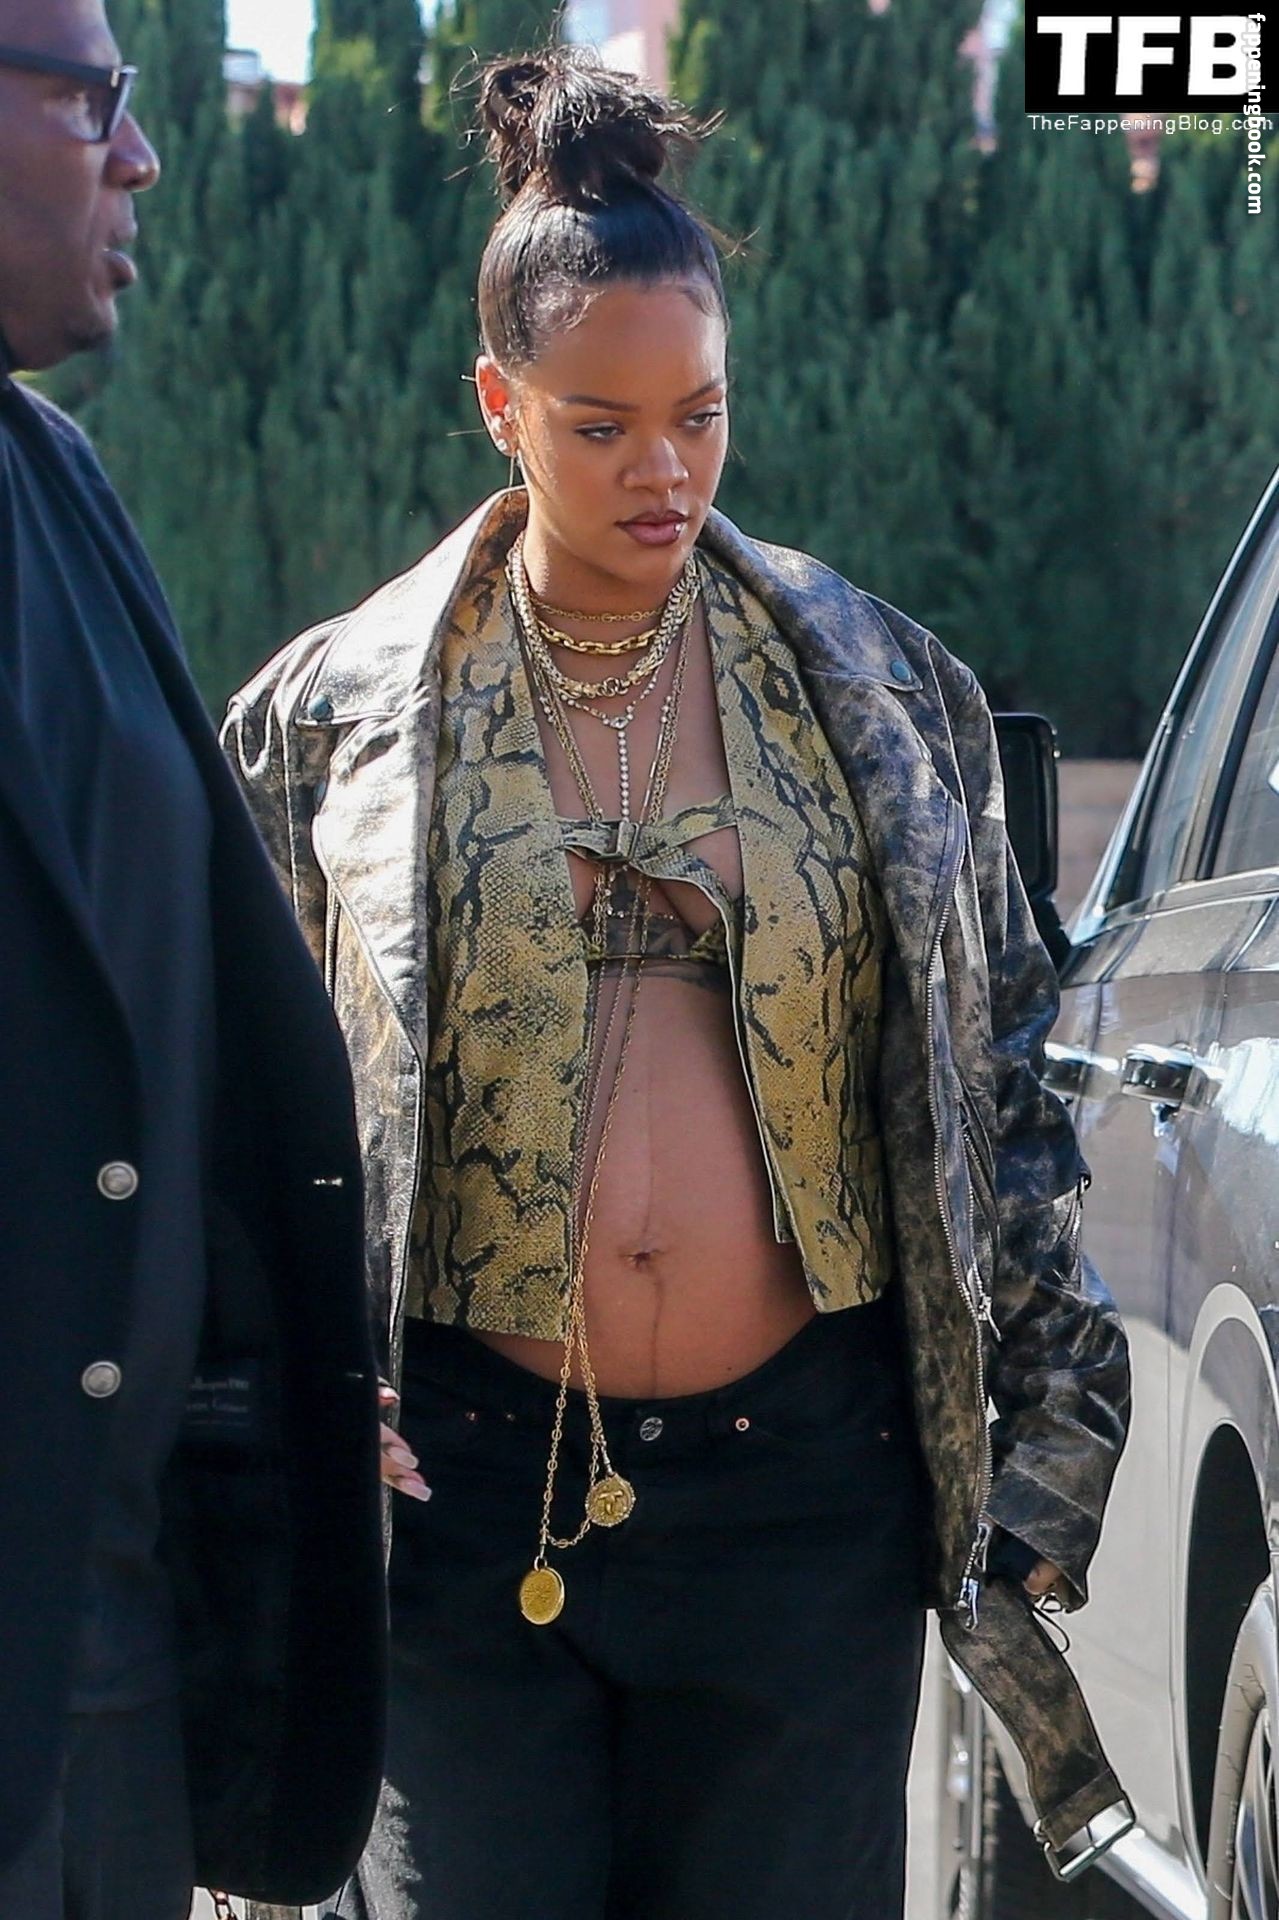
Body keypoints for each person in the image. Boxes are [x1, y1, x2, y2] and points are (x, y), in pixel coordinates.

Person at [224, 47, 1132, 1920]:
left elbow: (998, 1063)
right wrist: (270, 1405)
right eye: (601, 425)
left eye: (699, 416)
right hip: (454, 1493)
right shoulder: (329, 718)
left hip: (804, 1491)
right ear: (500, 405)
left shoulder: (877, 688)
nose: (664, 470)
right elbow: (238, 1101)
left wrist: (1053, 1424)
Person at [0, 3, 387, 1913]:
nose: (141, 156)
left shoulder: (53, 481)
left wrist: (275, 1356)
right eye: (94, 100)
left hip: (108, 1640)